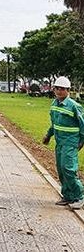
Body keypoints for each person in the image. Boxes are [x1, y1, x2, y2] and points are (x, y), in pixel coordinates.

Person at [42, 76, 84, 209]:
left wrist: (81, 142)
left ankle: (80, 196)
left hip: (70, 143)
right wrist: (48, 135)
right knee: (61, 169)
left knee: (68, 169)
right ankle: (68, 196)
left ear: (68, 90)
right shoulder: (54, 104)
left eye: (62, 89)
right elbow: (54, 123)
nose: (59, 91)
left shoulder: (74, 106)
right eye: (57, 88)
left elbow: (83, 125)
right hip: (59, 142)